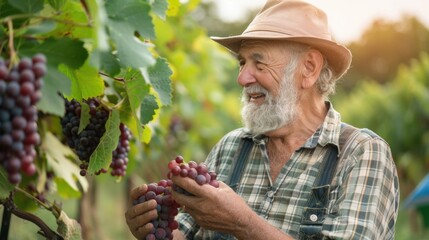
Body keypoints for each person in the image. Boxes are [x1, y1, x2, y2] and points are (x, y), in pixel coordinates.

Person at [125, 0, 400, 239]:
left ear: (309, 68)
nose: (242, 78)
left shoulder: (361, 154)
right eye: (242, 63)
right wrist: (154, 229)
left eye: (259, 63)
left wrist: (243, 223)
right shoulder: (230, 147)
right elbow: (186, 232)